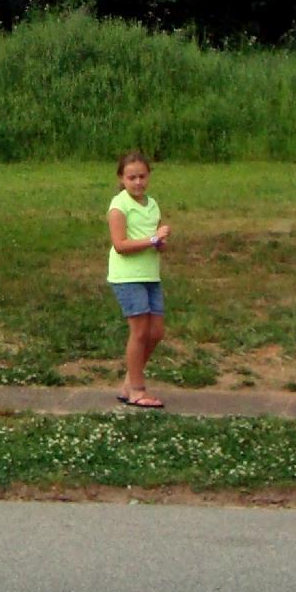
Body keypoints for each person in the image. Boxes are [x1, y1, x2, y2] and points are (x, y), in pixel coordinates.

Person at [107, 150, 170, 408]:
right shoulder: (118, 206)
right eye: (131, 177)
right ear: (122, 178)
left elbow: (153, 240)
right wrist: (152, 240)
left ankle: (129, 381)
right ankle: (136, 389)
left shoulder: (151, 204)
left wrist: (159, 243)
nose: (137, 182)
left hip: (150, 274)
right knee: (140, 331)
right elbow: (120, 244)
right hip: (127, 276)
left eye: (142, 176)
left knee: (156, 332)